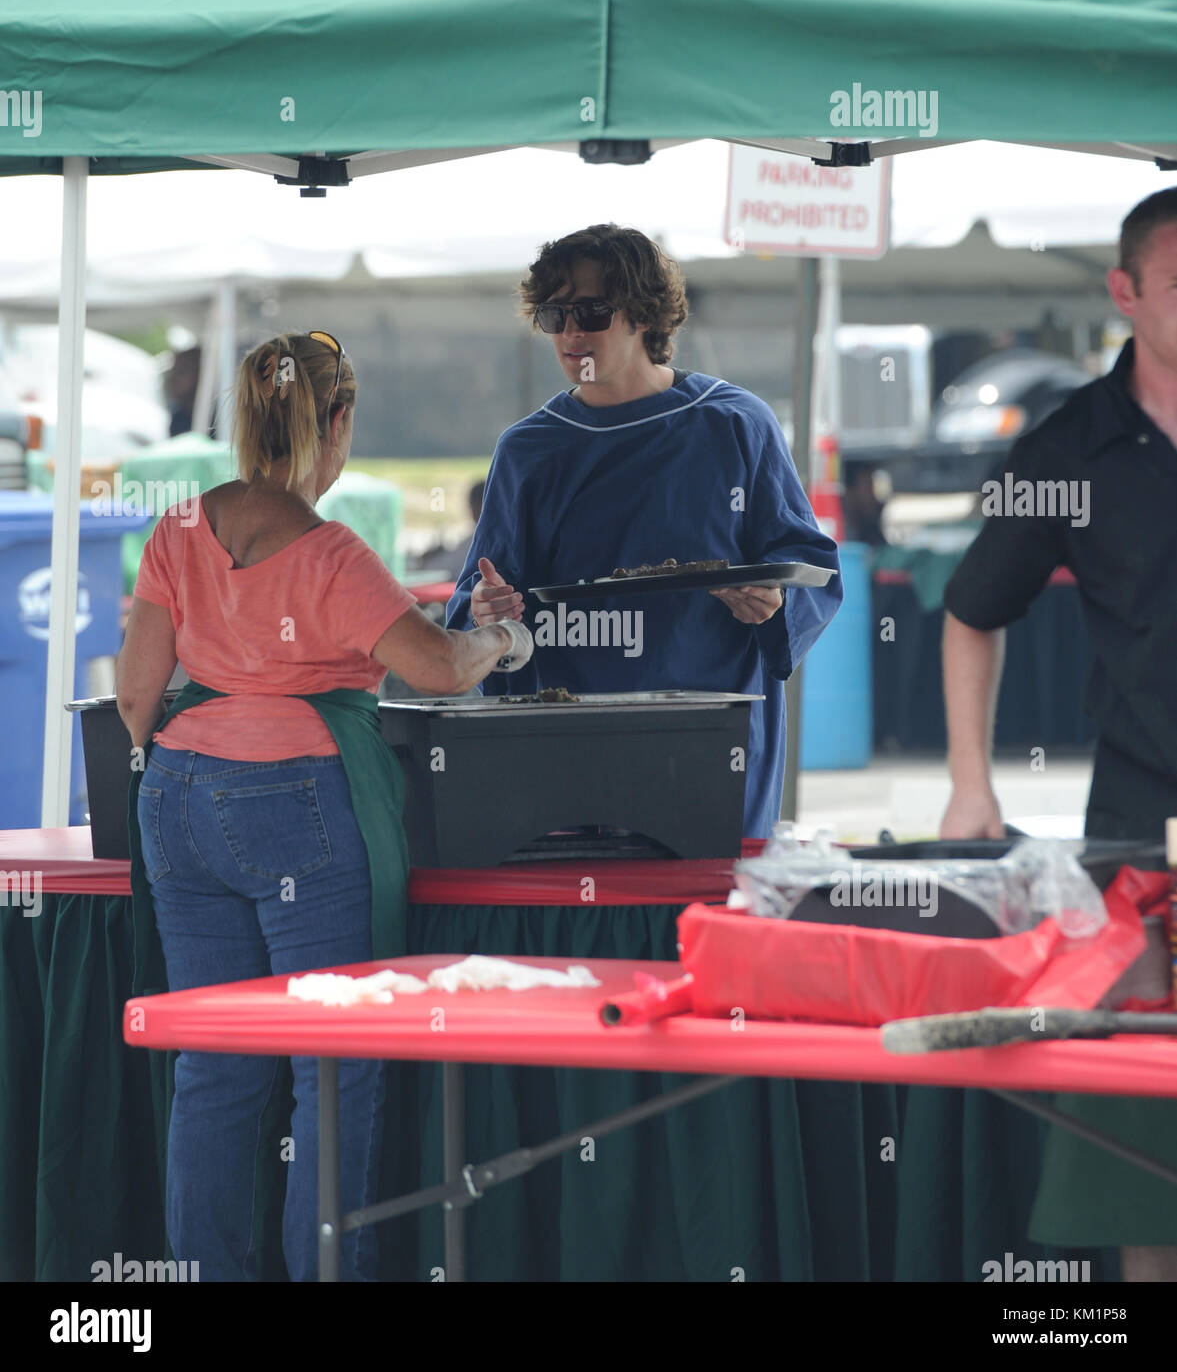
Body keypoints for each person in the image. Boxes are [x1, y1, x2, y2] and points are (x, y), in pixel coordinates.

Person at [114, 331, 531, 1281]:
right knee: (335, 1068)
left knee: (215, 1064)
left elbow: (138, 696)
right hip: (296, 804)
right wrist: (501, 638)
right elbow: (435, 665)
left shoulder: (178, 528)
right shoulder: (333, 552)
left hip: (176, 801)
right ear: (337, 421)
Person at [938, 188, 1177, 1280]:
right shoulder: (1068, 445)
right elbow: (972, 608)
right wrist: (969, 782)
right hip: (1139, 835)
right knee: (1139, 1122)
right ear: (1123, 295)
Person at [446, 224, 842, 836]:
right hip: (570, 755)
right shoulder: (529, 450)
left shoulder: (736, 424)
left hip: (712, 749)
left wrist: (775, 604)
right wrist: (485, 607)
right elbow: (480, 603)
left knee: (700, 924)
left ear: (642, 315)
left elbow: (812, 569)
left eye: (592, 311)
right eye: (555, 315)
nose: (572, 333)